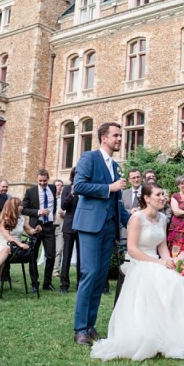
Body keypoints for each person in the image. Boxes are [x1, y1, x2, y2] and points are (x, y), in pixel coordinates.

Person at [90, 183, 184, 361]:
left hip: (158, 259)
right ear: (147, 198)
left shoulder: (162, 218)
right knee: (166, 281)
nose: (163, 197)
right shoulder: (137, 218)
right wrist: (159, 262)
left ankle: (183, 330)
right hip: (140, 261)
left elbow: (162, 246)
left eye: (163, 194)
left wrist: (170, 261)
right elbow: (132, 250)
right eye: (158, 194)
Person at [71, 122, 130, 346]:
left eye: (120, 136)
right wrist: (109, 188)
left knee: (100, 277)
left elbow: (117, 204)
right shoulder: (89, 157)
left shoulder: (114, 166)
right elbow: (80, 185)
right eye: (116, 135)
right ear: (104, 138)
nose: (119, 139)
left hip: (109, 229)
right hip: (89, 226)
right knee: (90, 273)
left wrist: (136, 220)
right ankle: (79, 329)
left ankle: (90, 326)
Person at [0, 198, 40, 300]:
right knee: (4, 253)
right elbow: (7, 237)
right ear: (13, 207)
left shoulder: (21, 219)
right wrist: (20, 244)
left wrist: (35, 230)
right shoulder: (2, 219)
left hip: (16, 249)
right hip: (3, 245)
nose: (22, 207)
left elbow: (29, 231)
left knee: (5, 253)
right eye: (20, 205)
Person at [22, 169, 58, 294]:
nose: (42, 183)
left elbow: (54, 203)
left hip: (49, 227)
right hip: (35, 227)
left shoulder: (53, 188)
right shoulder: (30, 192)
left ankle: (47, 283)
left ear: (48, 179)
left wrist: (53, 214)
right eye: (40, 181)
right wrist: (38, 212)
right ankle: (34, 284)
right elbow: (23, 209)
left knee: (51, 255)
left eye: (44, 181)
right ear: (37, 180)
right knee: (33, 255)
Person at [59, 168, 79, 293]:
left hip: (83, 226)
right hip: (69, 226)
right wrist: (71, 195)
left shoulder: (85, 189)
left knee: (82, 257)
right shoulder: (67, 189)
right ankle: (64, 285)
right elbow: (63, 206)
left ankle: (80, 283)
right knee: (66, 255)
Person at [53, 178, 65, 280]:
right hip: (49, 226)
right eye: (57, 185)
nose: (59, 187)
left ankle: (56, 271)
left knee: (59, 249)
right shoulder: (49, 197)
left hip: (60, 226)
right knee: (49, 249)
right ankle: (48, 268)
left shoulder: (64, 198)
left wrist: (63, 213)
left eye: (61, 185)